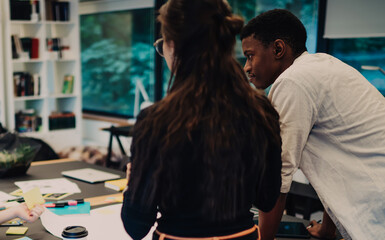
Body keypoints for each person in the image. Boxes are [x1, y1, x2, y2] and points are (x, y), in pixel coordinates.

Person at [121, 0, 282, 239]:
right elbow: (267, 199)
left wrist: (133, 182)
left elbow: (136, 226)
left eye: (161, 44)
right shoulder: (260, 110)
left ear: (173, 46)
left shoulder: (156, 120)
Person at [240, 8, 385, 240]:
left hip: (375, 209)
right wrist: (328, 230)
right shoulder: (325, 65)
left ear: (278, 49)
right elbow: (340, 150)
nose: (247, 67)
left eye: (250, 55)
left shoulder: (291, 82)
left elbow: (279, 173)